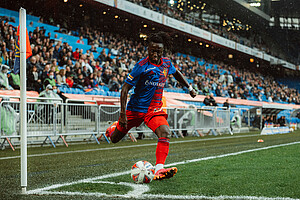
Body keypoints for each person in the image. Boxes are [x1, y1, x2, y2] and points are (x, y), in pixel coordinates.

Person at [105, 32, 197, 181]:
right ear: (148, 49)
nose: (155, 53)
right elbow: (124, 89)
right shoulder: (141, 66)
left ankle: (159, 169)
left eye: (158, 51)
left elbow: (177, 73)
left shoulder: (167, 63)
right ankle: (113, 129)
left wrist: (189, 87)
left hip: (154, 109)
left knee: (165, 132)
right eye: (152, 50)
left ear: (163, 51)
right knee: (115, 139)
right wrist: (122, 114)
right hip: (135, 109)